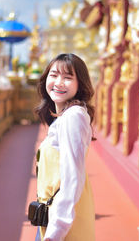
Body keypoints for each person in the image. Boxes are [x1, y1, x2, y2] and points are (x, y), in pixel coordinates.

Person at [35, 53, 95, 241]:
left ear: (80, 84)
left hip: (63, 221)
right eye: (53, 75)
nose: (59, 82)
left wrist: (56, 232)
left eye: (68, 78)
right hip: (53, 214)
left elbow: (72, 177)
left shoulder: (73, 117)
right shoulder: (65, 116)